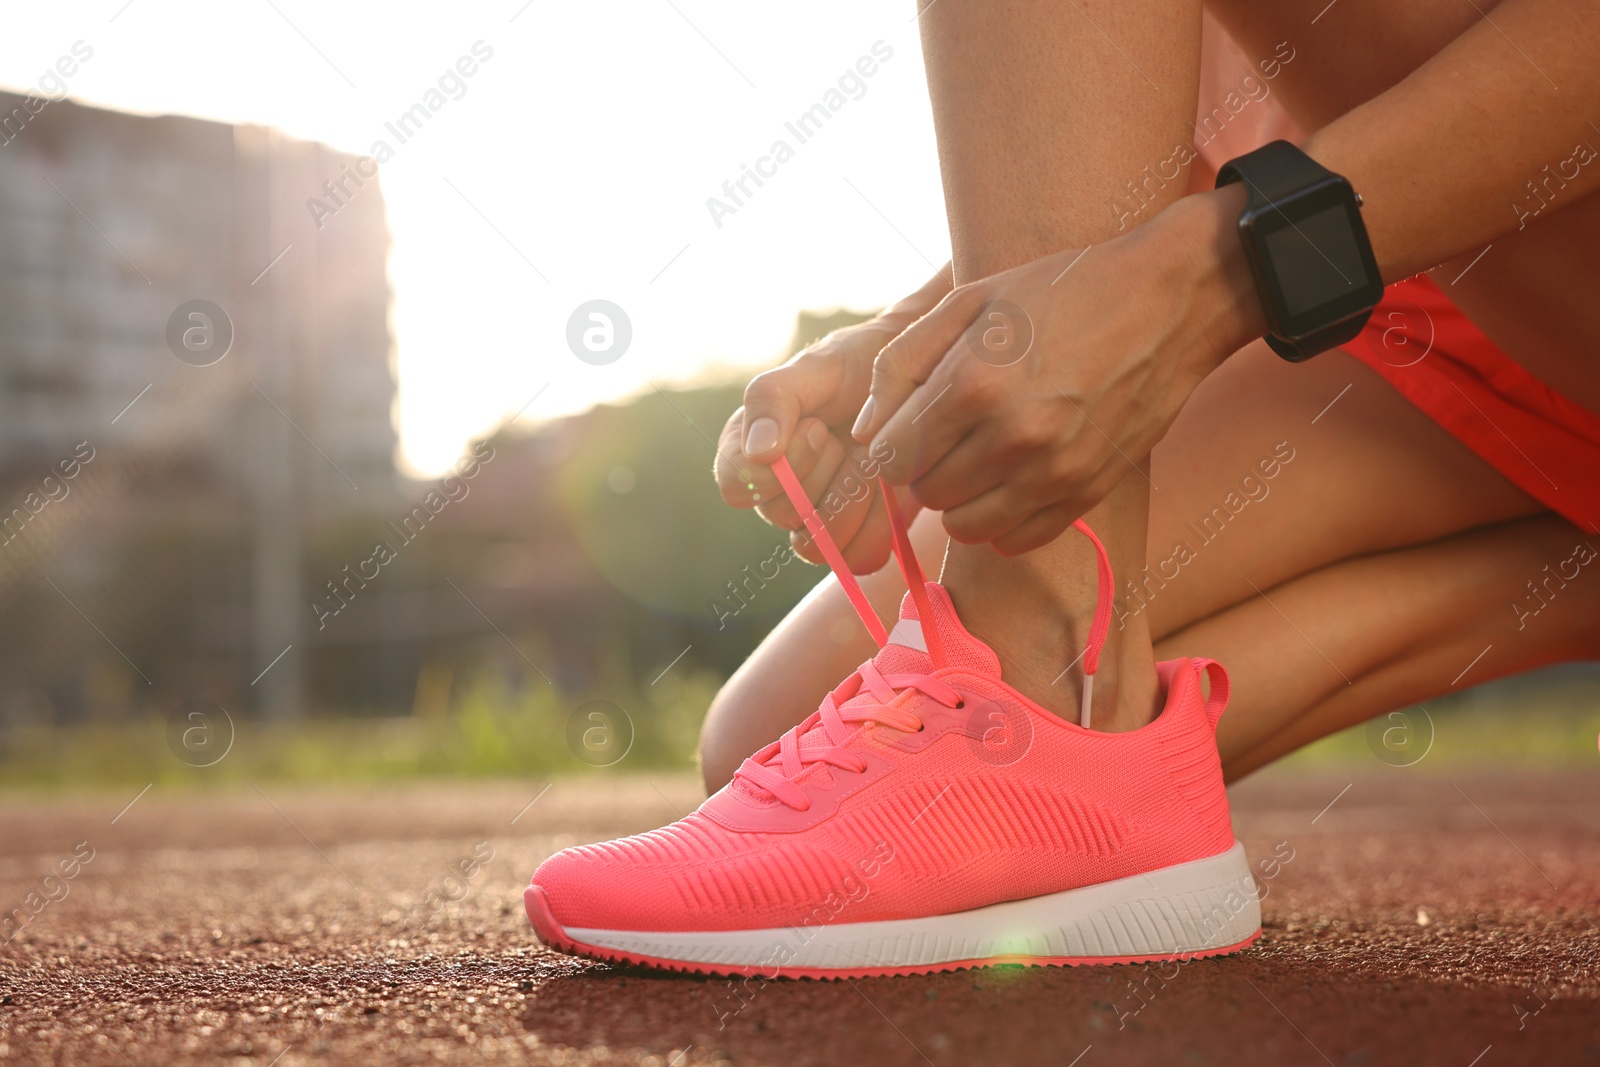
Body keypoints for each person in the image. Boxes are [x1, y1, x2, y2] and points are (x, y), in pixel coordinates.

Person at [522, 1, 1600, 976]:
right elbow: (1173, 133)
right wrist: (931, 343)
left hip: (1481, 245)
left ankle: (1028, 662)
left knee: (936, 759)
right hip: (1412, 285)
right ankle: (1566, 577)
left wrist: (1216, 273)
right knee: (763, 735)